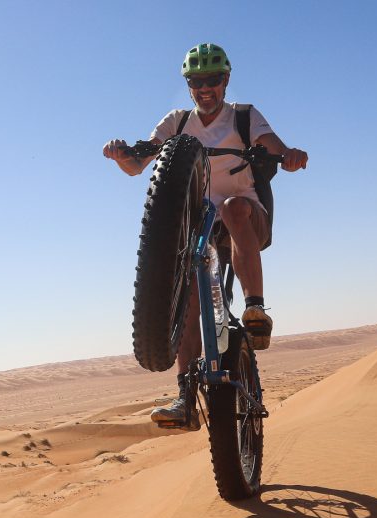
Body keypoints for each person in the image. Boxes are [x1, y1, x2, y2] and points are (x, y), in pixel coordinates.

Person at [103, 43, 308, 429]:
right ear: (189, 85)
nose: (204, 87)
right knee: (188, 298)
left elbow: (275, 148)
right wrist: (120, 154)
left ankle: (256, 309)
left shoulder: (244, 117)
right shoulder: (178, 124)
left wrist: (291, 155)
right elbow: (137, 166)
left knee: (232, 206)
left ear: (225, 81)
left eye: (212, 79)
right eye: (196, 81)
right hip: (201, 231)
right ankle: (185, 396)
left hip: (247, 217)